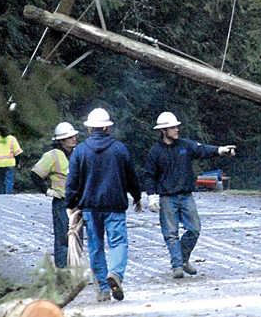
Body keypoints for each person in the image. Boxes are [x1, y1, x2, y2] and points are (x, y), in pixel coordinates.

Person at [144, 111, 236, 279]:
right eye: (173, 127)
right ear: (163, 130)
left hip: (186, 196)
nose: (177, 129)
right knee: (170, 234)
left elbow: (203, 150)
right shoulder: (155, 152)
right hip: (167, 197)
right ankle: (177, 266)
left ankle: (183, 260)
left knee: (194, 229)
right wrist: (151, 196)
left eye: (177, 126)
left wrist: (220, 150)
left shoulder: (185, 145)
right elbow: (150, 175)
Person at [66, 108, 142, 303]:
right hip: (115, 206)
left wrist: (71, 204)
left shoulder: (80, 151)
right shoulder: (119, 148)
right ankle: (115, 273)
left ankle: (102, 288)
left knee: (95, 246)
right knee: (118, 242)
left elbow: (72, 181)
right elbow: (131, 176)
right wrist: (137, 196)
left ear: (90, 128)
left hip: (90, 208)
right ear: (107, 126)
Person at [32, 122, 79, 268]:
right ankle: (63, 274)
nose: (73, 139)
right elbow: (35, 175)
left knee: (77, 239)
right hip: (62, 202)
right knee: (63, 239)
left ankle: (75, 271)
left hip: (78, 202)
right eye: (69, 137)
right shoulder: (52, 156)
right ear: (61, 141)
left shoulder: (79, 153)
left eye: (73, 136)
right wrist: (47, 190)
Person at [0, 127, 23, 194]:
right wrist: (17, 163)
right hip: (10, 163)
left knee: (0, 181)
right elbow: (17, 153)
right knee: (9, 181)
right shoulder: (12, 139)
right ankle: (8, 194)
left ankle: (1, 195)